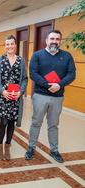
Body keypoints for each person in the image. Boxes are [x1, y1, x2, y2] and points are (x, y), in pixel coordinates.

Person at [25, 30, 76, 163]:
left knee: (53, 124)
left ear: (60, 41)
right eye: (52, 38)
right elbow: (33, 74)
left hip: (58, 97)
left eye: (57, 39)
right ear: (46, 40)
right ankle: (31, 147)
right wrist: (48, 85)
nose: (54, 41)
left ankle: (54, 150)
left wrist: (59, 85)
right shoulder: (37, 55)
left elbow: (71, 74)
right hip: (40, 95)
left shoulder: (67, 56)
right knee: (36, 122)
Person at [0, 35, 28, 160]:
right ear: (5, 46)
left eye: (12, 44)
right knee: (4, 122)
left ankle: (8, 146)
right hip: (3, 97)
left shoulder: (21, 61)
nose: (10, 46)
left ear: (15, 45)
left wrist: (20, 92)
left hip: (15, 97)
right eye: (7, 44)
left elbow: (24, 79)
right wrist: (2, 91)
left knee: (12, 122)